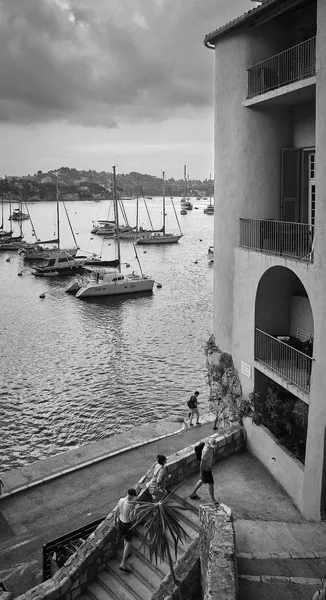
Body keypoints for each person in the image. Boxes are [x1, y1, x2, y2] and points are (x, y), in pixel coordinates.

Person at [114, 488, 138, 573]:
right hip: (127, 524)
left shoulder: (121, 500)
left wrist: (115, 522)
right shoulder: (131, 505)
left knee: (125, 539)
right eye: (133, 497)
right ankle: (123, 564)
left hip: (120, 521)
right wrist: (136, 510)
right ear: (131, 495)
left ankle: (126, 553)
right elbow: (132, 518)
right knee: (128, 542)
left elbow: (116, 512)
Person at [189, 438, 219, 504]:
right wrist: (201, 473)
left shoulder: (209, 446)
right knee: (211, 483)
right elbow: (201, 463)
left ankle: (193, 493)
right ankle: (213, 500)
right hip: (206, 469)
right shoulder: (206, 451)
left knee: (202, 480)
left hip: (208, 468)